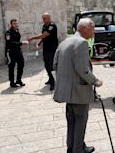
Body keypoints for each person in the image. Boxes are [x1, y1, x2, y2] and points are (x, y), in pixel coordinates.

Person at [53, 18, 103, 153]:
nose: (95, 30)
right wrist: (95, 81)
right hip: (78, 90)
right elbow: (82, 69)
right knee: (80, 120)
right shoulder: (81, 43)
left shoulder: (65, 41)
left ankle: (72, 146)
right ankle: (78, 149)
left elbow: (55, 65)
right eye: (92, 27)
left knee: (72, 121)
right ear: (84, 28)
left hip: (68, 91)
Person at [28, 13, 58, 91]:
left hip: (52, 49)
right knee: (46, 64)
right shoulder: (44, 26)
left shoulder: (52, 26)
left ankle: (53, 82)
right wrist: (39, 43)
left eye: (45, 18)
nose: (43, 20)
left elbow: (43, 35)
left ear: (49, 18)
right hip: (46, 49)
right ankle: (50, 78)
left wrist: (33, 38)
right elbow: (43, 37)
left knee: (51, 65)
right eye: (43, 18)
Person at [5, 19, 29, 88]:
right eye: (14, 24)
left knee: (21, 65)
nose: (16, 25)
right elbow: (10, 43)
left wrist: (20, 44)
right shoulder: (8, 33)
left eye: (16, 23)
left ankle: (18, 80)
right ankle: (12, 82)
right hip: (11, 52)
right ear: (11, 24)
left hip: (18, 51)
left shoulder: (17, 31)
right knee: (11, 67)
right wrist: (21, 43)